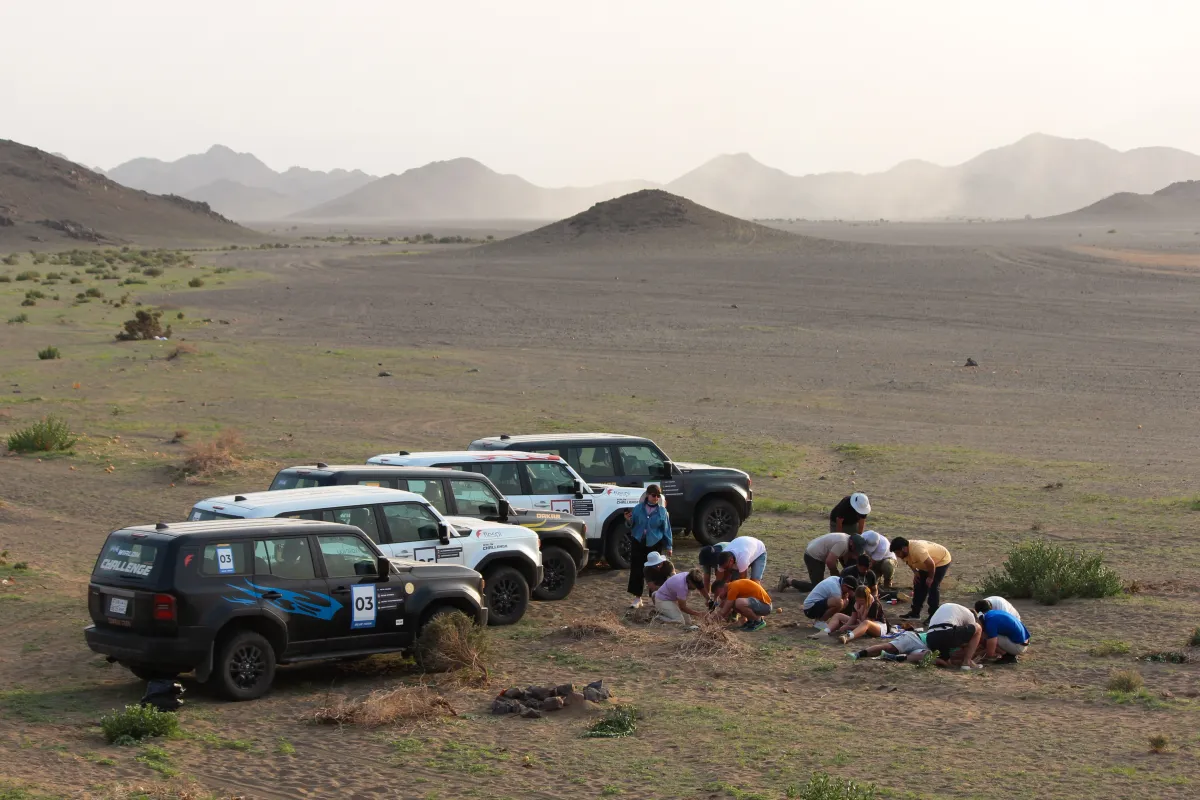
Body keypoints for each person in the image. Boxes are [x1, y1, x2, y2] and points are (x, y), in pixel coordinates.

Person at [848, 620, 982, 670]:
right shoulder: (954, 635)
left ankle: (893, 657)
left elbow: (948, 660)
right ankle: (859, 654)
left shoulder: (959, 647)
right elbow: (947, 661)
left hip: (925, 648)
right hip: (916, 638)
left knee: (926, 656)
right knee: (889, 646)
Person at [627, 484, 672, 608]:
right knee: (637, 569)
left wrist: (669, 546)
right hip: (638, 540)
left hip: (654, 542)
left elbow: (666, 529)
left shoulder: (662, 511)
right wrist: (628, 520)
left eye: (658, 496)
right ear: (647, 495)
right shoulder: (638, 508)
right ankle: (637, 598)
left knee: (655, 570)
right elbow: (632, 525)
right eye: (653, 495)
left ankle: (654, 597)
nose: (656, 498)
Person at [778, 532, 865, 592]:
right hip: (813, 556)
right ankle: (788, 581)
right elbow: (830, 561)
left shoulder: (847, 540)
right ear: (851, 543)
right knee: (817, 587)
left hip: (816, 551)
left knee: (819, 583)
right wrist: (835, 574)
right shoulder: (842, 543)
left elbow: (844, 557)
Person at [890, 537, 952, 620]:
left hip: (940, 560)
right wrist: (915, 572)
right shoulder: (904, 552)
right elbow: (909, 562)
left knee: (932, 586)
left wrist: (930, 578)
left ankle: (933, 616)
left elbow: (931, 564)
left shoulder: (918, 550)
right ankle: (915, 613)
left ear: (904, 549)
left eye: (898, 553)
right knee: (918, 584)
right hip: (926, 563)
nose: (897, 555)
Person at [698, 536, 767, 596]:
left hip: (758, 551)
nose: (725, 569)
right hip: (744, 546)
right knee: (726, 579)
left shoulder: (742, 560)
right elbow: (718, 582)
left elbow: (742, 581)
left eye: (726, 567)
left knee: (754, 581)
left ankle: (763, 600)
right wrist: (716, 597)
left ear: (731, 561)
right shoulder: (722, 558)